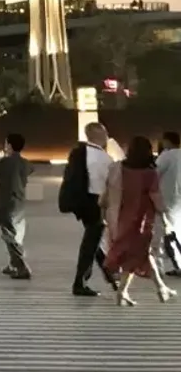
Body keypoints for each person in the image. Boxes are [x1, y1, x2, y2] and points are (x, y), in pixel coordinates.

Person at [102, 135, 176, 305]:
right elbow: (155, 196)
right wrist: (164, 216)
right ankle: (157, 289)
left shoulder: (117, 168)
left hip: (119, 219)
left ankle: (150, 289)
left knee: (137, 255)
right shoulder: (149, 173)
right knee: (139, 254)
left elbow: (106, 191)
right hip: (140, 221)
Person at [72, 122, 118, 297]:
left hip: (81, 202)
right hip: (95, 203)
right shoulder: (103, 158)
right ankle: (80, 282)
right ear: (100, 136)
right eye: (105, 134)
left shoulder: (79, 153)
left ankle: (109, 274)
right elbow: (108, 186)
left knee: (93, 240)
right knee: (91, 242)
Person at [0, 133, 32, 280]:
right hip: (19, 202)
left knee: (9, 235)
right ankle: (13, 264)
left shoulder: (6, 162)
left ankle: (21, 267)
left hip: (7, 202)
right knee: (16, 233)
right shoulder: (25, 163)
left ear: (9, 146)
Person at [156, 131, 181, 278]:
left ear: (166, 141)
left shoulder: (167, 156)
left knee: (168, 233)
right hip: (179, 200)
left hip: (167, 198)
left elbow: (154, 172)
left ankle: (177, 264)